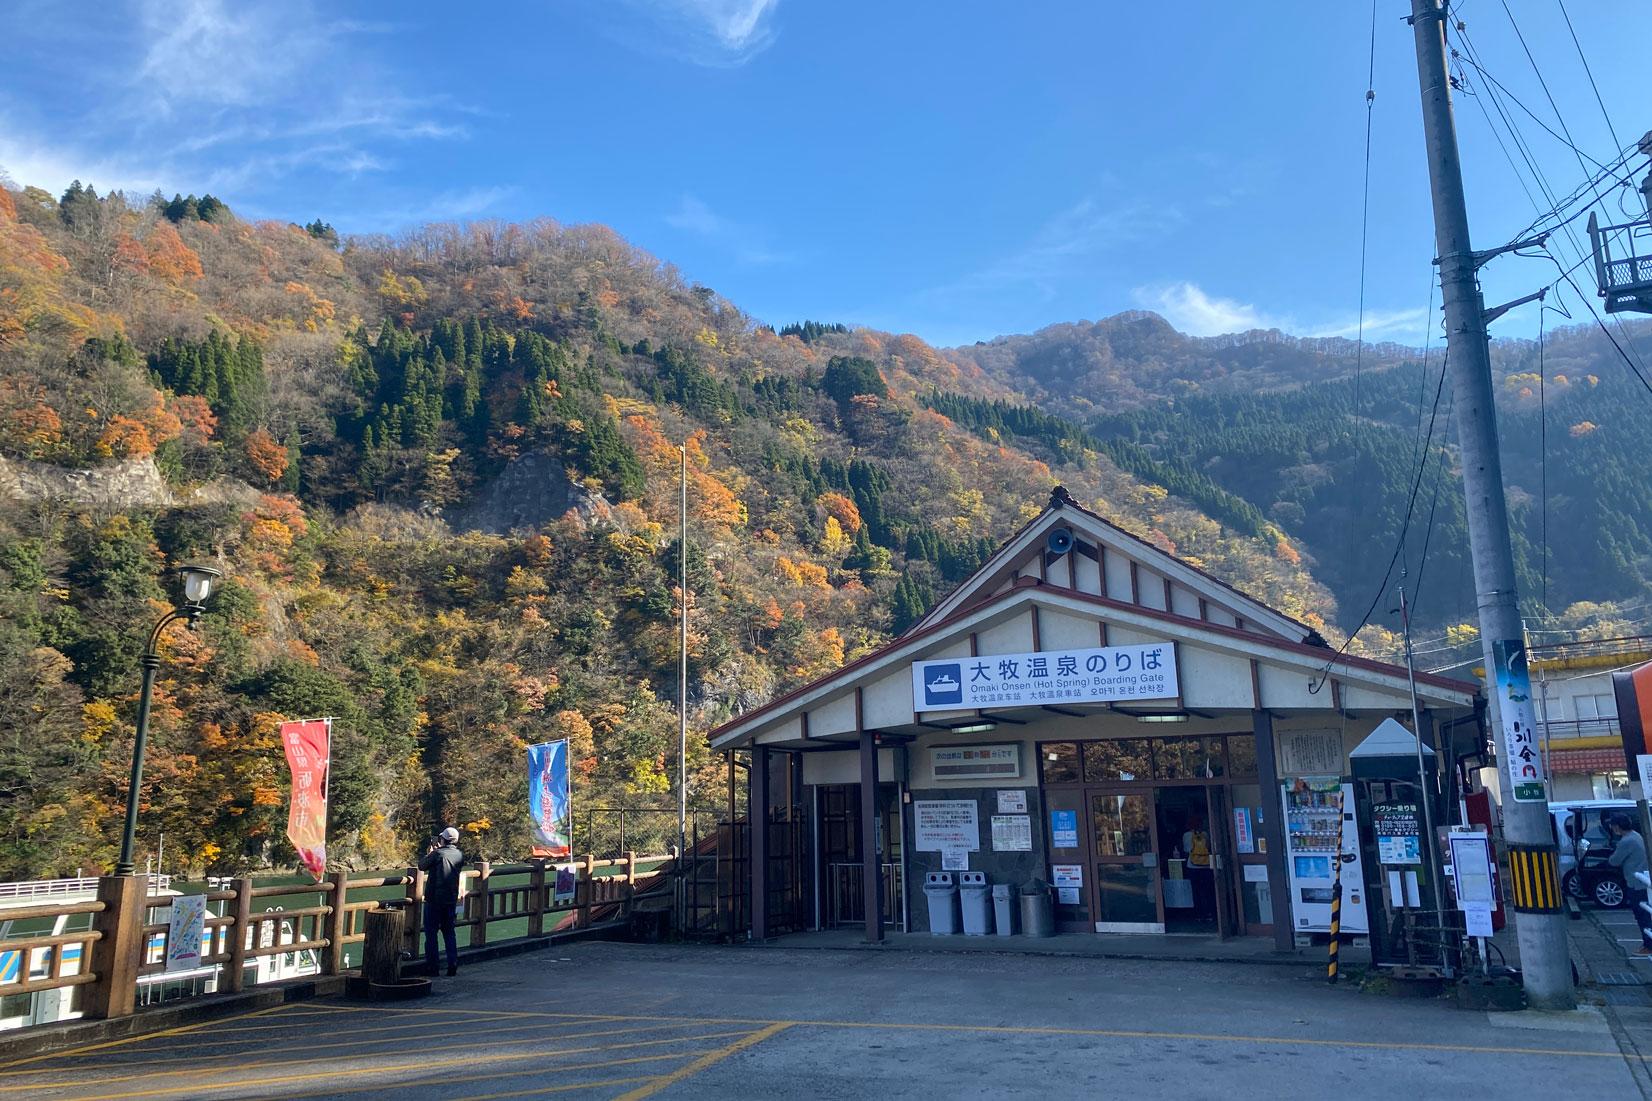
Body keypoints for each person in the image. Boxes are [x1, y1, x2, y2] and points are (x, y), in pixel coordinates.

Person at [419, 826, 465, 976]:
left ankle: (433, 967)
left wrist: (431, 852)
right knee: (449, 932)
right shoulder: (459, 854)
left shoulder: (437, 854)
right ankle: (453, 964)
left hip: (434, 899)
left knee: (431, 934)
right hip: (451, 899)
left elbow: (421, 866)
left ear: (443, 839)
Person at [1607, 813, 1652, 958]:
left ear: (1617, 826)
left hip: (1636, 883)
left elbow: (1614, 861)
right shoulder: (1636, 836)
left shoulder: (1626, 841)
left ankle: (1648, 945)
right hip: (1642, 881)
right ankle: (1647, 944)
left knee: (1642, 915)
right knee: (1645, 913)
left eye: (1613, 825)